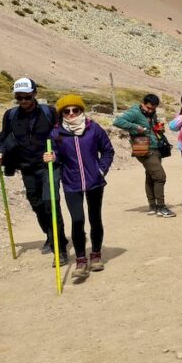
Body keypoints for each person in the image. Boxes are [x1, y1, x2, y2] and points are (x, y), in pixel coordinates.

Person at [0, 77, 68, 264]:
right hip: (26, 168)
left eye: (27, 97)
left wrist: (55, 153)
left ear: (35, 94)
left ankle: (60, 249)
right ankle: (50, 234)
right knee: (37, 204)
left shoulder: (50, 113)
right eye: (19, 98)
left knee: (51, 204)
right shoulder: (11, 115)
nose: (23, 101)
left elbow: (62, 138)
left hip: (48, 166)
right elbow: (5, 138)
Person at [47, 95, 114, 280]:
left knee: (95, 218)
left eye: (75, 110)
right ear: (61, 113)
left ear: (81, 111)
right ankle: (81, 260)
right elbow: (56, 156)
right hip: (71, 183)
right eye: (66, 111)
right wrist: (52, 157)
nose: (71, 114)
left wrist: (101, 170)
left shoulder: (94, 128)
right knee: (77, 220)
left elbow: (108, 150)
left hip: (95, 182)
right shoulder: (57, 133)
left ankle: (96, 255)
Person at [114, 93, 173, 217]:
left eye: (153, 108)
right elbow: (118, 121)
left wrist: (159, 128)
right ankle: (162, 207)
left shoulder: (152, 113)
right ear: (143, 104)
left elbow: (152, 128)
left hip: (156, 148)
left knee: (151, 176)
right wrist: (135, 127)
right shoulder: (135, 112)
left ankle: (153, 206)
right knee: (160, 176)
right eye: (148, 108)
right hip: (142, 147)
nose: (150, 110)